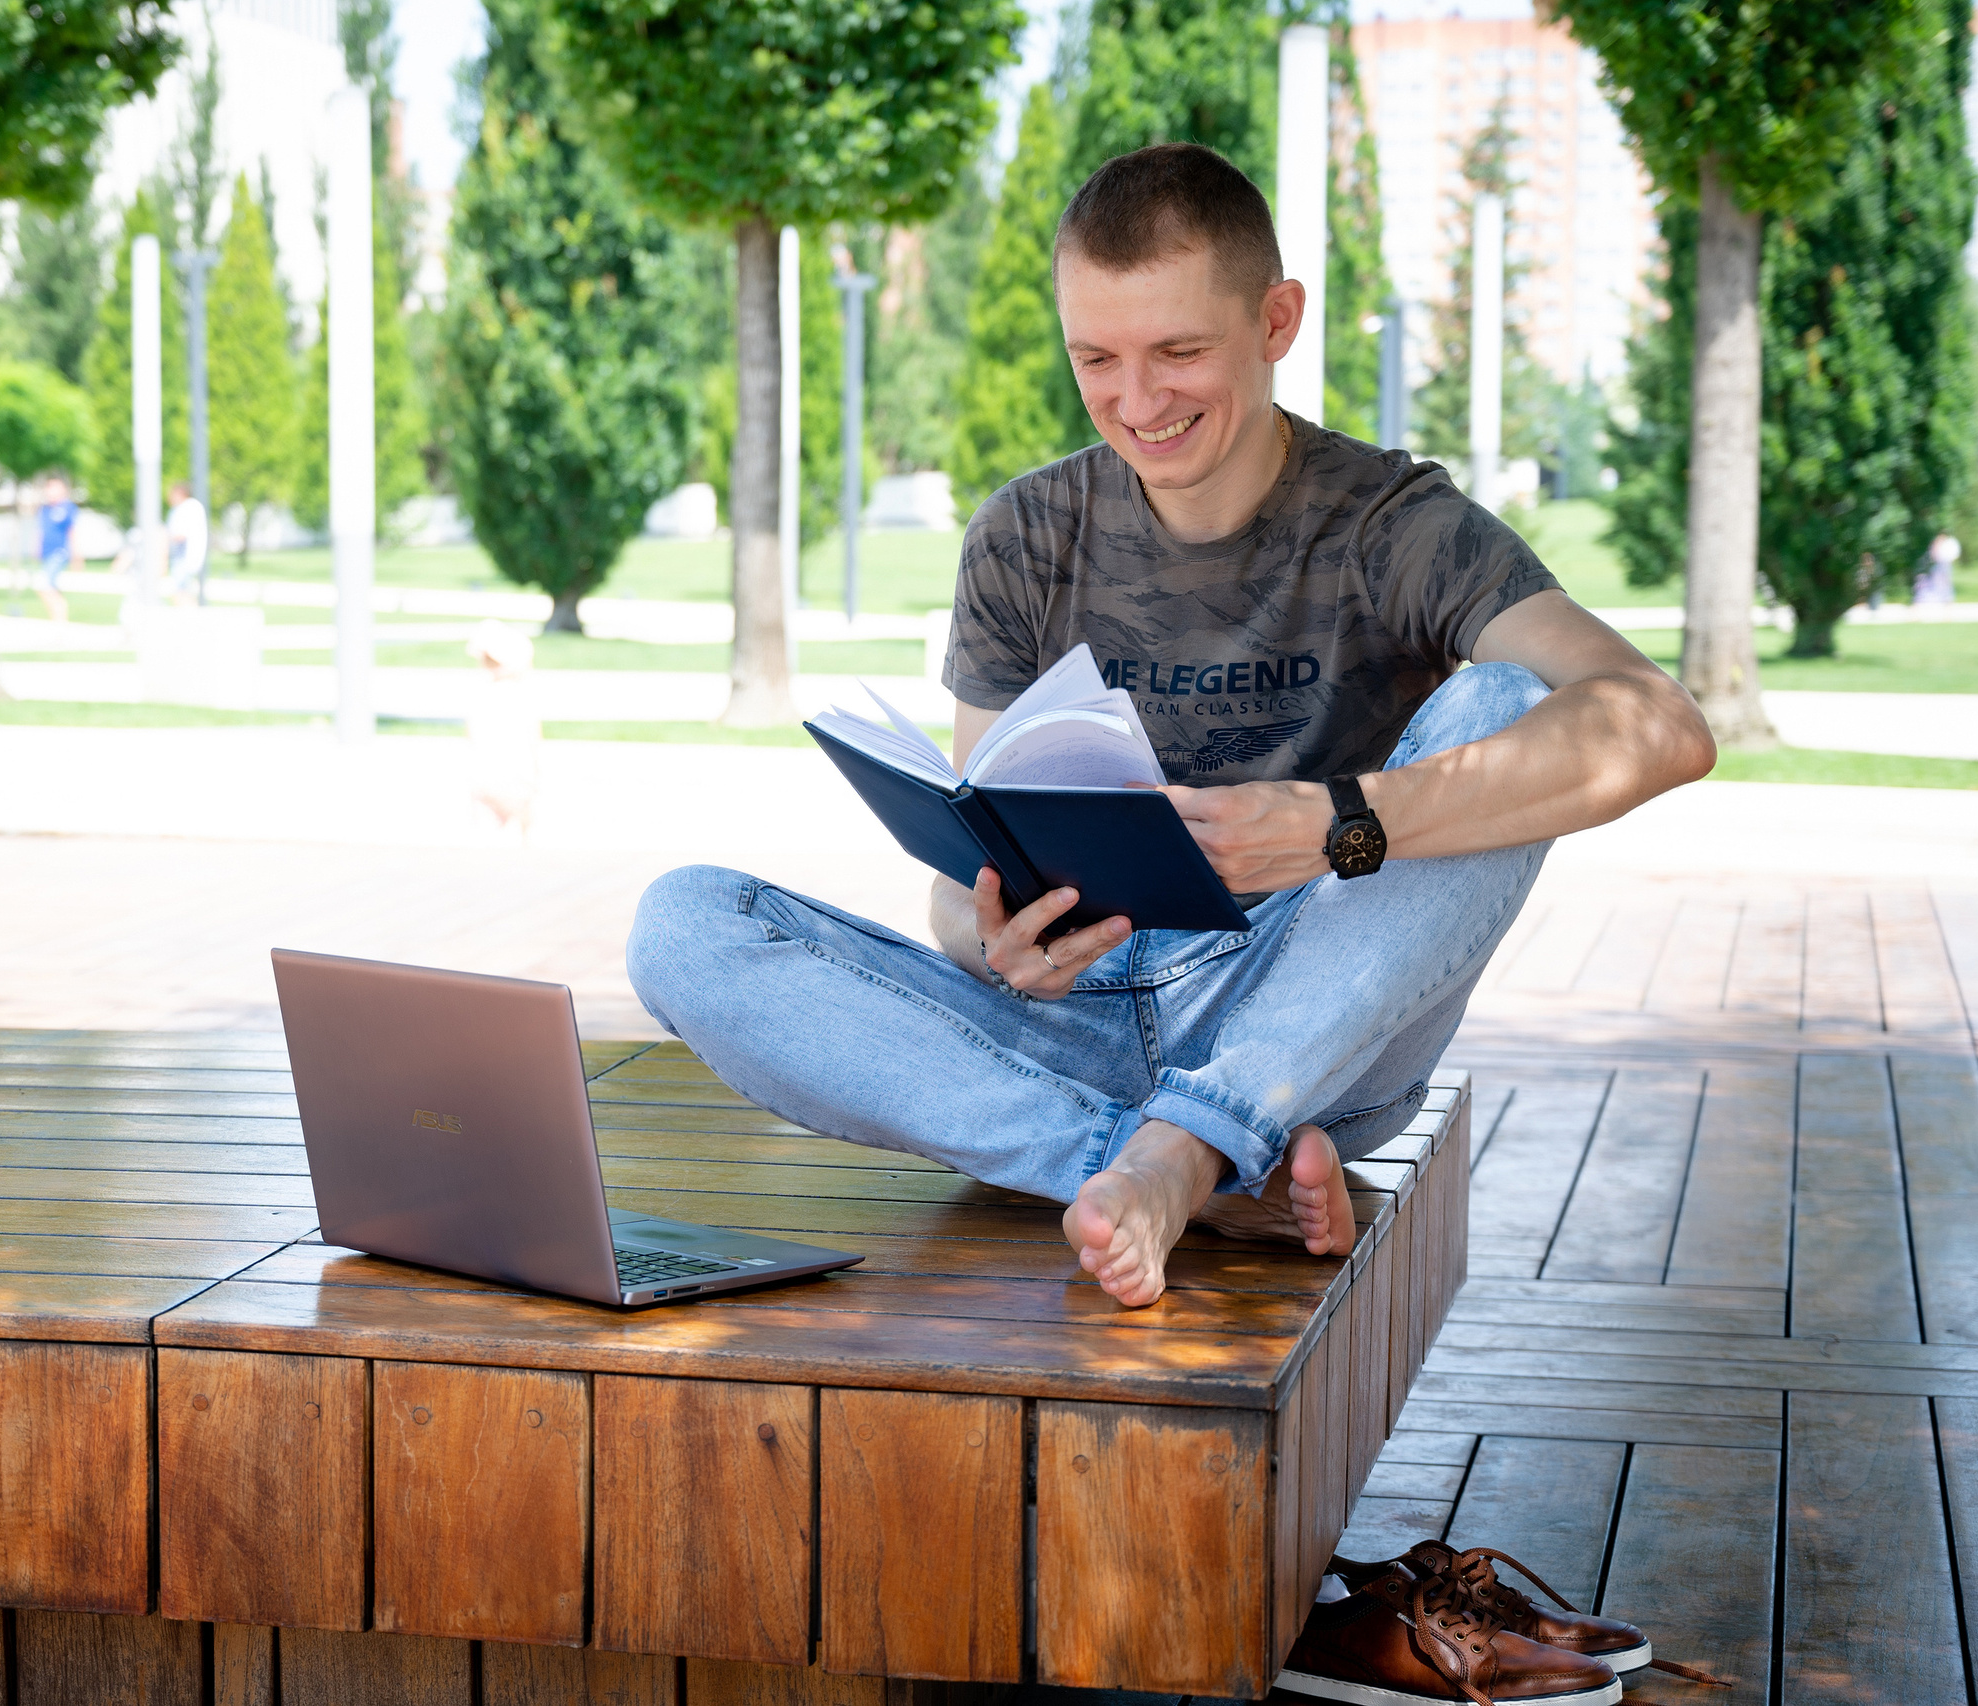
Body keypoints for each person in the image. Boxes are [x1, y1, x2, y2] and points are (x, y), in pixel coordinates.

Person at [627, 143, 1714, 1314]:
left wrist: (1339, 826)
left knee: (1512, 706)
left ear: (1276, 319)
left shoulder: (1395, 523)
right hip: (1072, 1020)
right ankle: (1169, 1157)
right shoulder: (1021, 536)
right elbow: (965, 859)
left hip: (1313, 1030)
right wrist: (987, 937)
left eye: (1179, 352)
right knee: (684, 921)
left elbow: (1655, 724)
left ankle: (1187, 1139)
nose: (1137, 403)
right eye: (1096, 358)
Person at [465, 621, 541, 838]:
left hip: (487, 774)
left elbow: (472, 736)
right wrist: (537, 772)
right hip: (518, 774)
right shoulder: (523, 695)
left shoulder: (482, 694)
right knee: (523, 829)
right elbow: (533, 738)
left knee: (487, 835)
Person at [33, 475, 80, 622]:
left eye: (53, 487)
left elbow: (72, 532)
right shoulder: (45, 509)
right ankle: (57, 616)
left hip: (59, 552)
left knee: (43, 583)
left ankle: (60, 614)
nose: (50, 491)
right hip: (47, 553)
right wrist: (36, 548)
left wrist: (76, 555)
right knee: (47, 585)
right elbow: (40, 530)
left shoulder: (67, 508)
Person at [164, 481, 210, 605]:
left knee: (180, 591)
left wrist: (163, 539)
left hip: (184, 555)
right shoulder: (183, 508)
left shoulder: (188, 508)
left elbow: (181, 535)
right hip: (183, 555)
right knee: (182, 591)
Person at [1913, 529, 1960, 607]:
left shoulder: (1948, 543)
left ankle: (1947, 602)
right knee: (1940, 583)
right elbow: (1934, 554)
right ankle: (1944, 601)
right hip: (1939, 565)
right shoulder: (1939, 542)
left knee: (1945, 583)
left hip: (1944, 564)